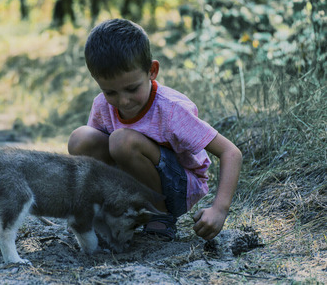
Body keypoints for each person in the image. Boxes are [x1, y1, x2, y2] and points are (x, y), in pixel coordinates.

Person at [68, 18, 242, 241]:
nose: (124, 101)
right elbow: (95, 160)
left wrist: (219, 209)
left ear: (152, 70)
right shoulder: (102, 105)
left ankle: (159, 216)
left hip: (176, 190)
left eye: (132, 88)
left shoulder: (171, 109)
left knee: (122, 142)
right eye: (110, 92)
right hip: (131, 183)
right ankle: (111, 213)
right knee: (80, 139)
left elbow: (231, 153)